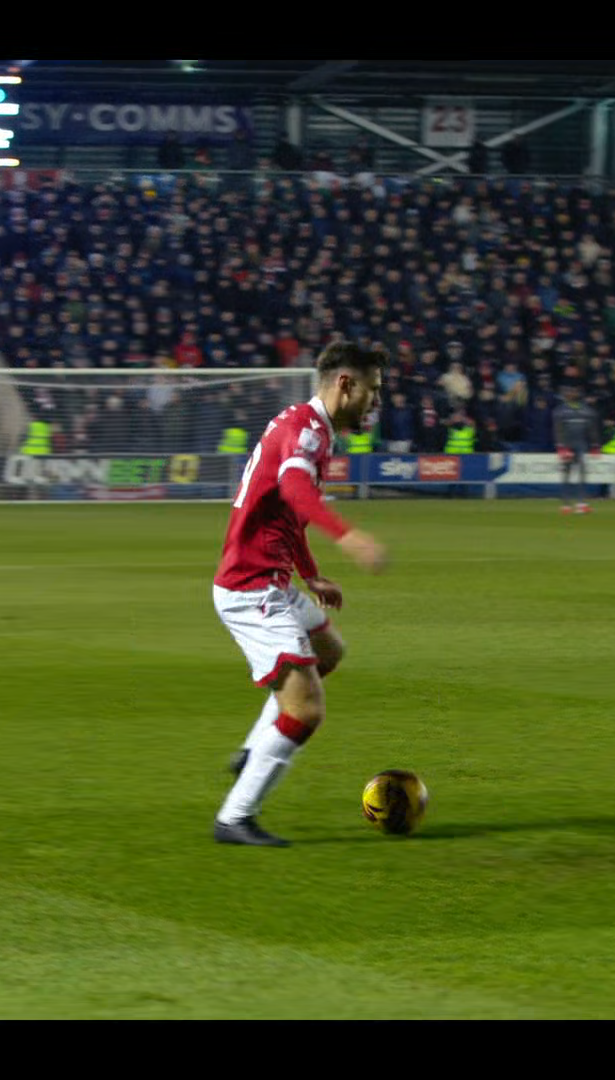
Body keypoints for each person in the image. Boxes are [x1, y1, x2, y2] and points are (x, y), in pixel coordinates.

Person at [211, 342, 390, 847]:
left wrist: (311, 575)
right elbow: (294, 491)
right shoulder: (308, 433)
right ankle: (235, 818)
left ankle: (254, 751)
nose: (376, 402)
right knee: (306, 709)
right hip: (251, 588)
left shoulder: (303, 424)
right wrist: (348, 537)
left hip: (270, 579)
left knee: (329, 650)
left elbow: (284, 514)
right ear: (346, 385)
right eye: (373, 390)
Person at [553, 383, 601, 515]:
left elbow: (592, 429)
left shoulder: (587, 411)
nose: (572, 394)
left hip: (581, 445)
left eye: (575, 392)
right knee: (567, 474)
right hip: (568, 445)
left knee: (582, 474)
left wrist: (595, 445)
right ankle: (566, 505)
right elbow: (558, 429)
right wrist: (561, 446)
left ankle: (581, 504)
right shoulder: (560, 411)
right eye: (570, 392)